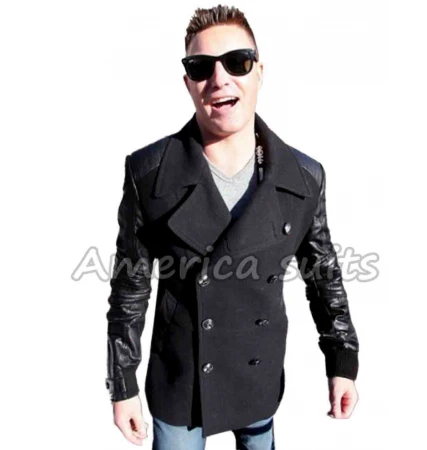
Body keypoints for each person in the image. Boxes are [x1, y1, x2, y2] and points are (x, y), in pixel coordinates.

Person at [105, 5, 360, 449]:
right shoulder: (149, 173)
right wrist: (122, 383)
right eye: (201, 67)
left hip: (257, 373)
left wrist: (342, 361)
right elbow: (131, 287)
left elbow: (323, 277)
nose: (219, 78)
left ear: (259, 72)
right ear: (188, 82)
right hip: (181, 379)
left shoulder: (303, 178)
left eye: (237, 62)